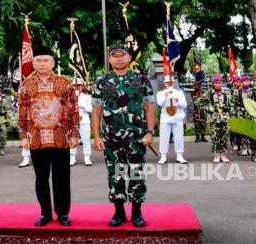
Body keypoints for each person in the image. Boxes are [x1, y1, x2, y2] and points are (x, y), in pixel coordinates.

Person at [92, 44, 155, 227]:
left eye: (122, 55)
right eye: (115, 56)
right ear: (110, 59)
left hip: (137, 137)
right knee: (116, 175)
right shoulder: (102, 81)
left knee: (136, 174)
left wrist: (150, 132)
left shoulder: (141, 79)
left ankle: (137, 212)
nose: (119, 59)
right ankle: (119, 212)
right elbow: (96, 110)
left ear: (129, 58)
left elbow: (149, 106)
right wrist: (96, 136)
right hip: (112, 139)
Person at [17, 45, 79, 227]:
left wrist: (74, 134)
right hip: (36, 138)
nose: (42, 64)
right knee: (41, 178)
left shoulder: (64, 83)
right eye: (38, 60)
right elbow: (22, 112)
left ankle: (62, 213)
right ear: (33, 63)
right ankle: (44, 212)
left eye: (46, 60)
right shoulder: (26, 85)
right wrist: (22, 135)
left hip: (60, 137)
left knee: (62, 177)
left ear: (52, 63)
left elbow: (73, 111)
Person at [157, 75, 188, 165]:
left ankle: (179, 155)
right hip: (166, 117)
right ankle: (163, 156)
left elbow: (184, 105)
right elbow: (159, 103)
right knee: (164, 137)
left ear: (173, 83)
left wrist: (176, 98)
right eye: (167, 82)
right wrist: (166, 93)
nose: (169, 84)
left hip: (177, 117)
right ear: (164, 83)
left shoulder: (179, 93)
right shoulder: (160, 93)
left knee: (179, 137)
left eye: (171, 82)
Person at [70, 79, 93, 166]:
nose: (76, 87)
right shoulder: (69, 97)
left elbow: (91, 109)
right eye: (74, 85)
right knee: (72, 139)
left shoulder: (87, 97)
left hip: (84, 120)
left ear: (82, 86)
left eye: (78, 85)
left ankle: (87, 157)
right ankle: (72, 157)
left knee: (86, 139)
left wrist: (83, 107)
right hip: (72, 121)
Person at [207, 76, 230, 163]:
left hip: (224, 117)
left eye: (219, 82)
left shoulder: (226, 93)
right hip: (214, 118)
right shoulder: (209, 93)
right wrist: (209, 108)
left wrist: (227, 113)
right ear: (213, 84)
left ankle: (223, 155)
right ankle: (216, 155)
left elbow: (230, 104)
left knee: (224, 137)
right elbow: (200, 102)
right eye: (216, 83)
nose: (218, 84)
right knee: (215, 137)